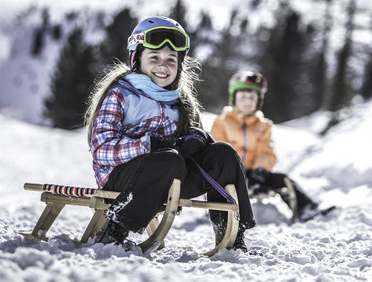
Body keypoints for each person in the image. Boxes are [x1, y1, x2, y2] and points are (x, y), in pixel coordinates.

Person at [84, 16, 255, 252]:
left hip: (172, 176)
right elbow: (101, 150)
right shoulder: (121, 95)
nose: (163, 66)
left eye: (171, 60)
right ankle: (116, 228)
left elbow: (194, 145)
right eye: (154, 58)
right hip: (123, 179)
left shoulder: (181, 102)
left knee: (223, 153)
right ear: (137, 59)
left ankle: (232, 233)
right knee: (168, 159)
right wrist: (149, 145)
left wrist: (198, 140)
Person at [211, 70, 330, 222]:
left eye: (252, 98)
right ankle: (222, 214)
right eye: (243, 97)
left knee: (282, 180)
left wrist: (260, 172)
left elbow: (266, 150)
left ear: (259, 100)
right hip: (230, 174)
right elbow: (217, 149)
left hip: (254, 175)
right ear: (233, 98)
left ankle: (306, 209)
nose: (247, 102)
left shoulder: (263, 125)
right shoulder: (222, 122)